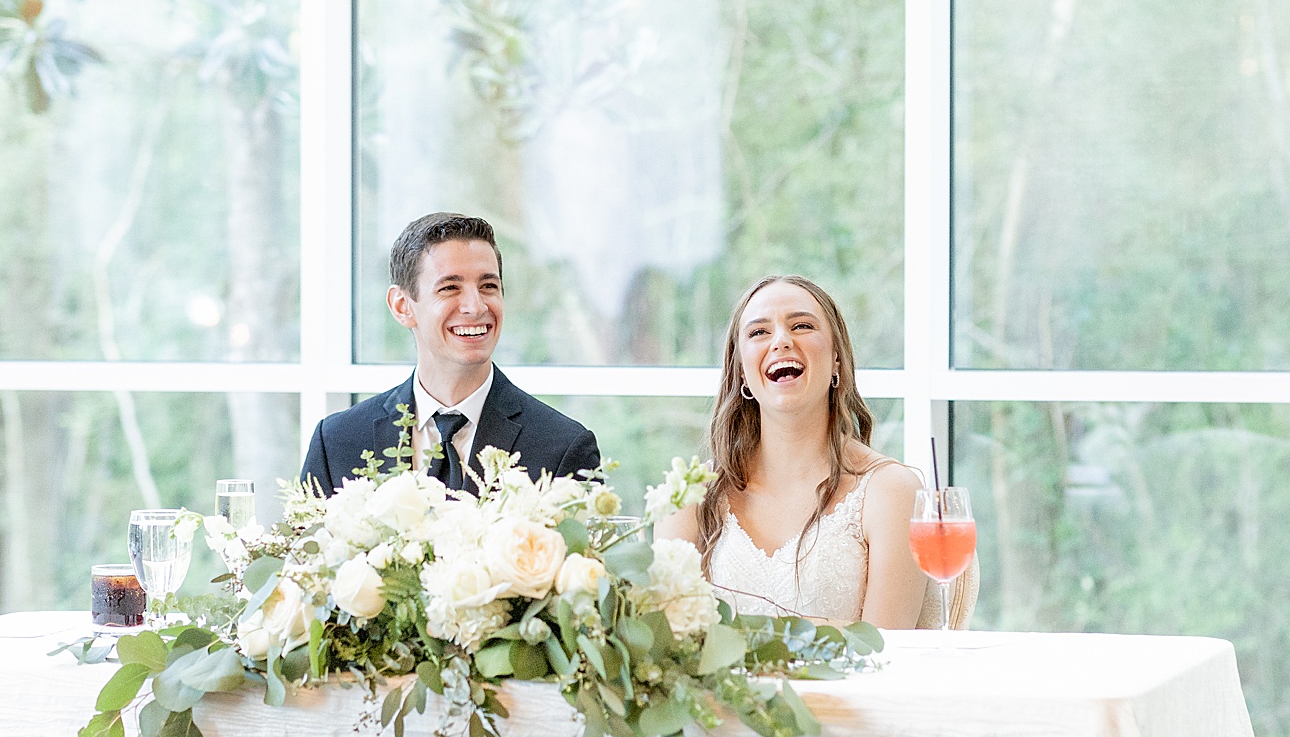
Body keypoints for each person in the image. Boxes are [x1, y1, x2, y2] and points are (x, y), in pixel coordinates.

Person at [656, 275, 931, 627]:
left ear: (836, 360)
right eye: (759, 332)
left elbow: (887, 653)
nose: (782, 341)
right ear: (741, 371)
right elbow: (669, 650)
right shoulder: (689, 495)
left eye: (801, 326)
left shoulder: (891, 491)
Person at [300, 213, 599, 496]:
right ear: (402, 306)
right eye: (450, 287)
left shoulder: (563, 447)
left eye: (488, 286)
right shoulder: (337, 442)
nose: (476, 306)